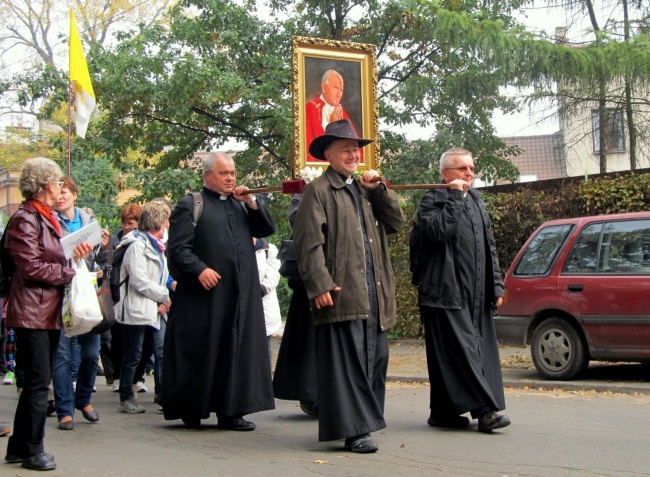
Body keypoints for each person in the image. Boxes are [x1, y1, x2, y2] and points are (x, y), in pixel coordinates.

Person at [293, 119, 404, 453]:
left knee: (377, 357)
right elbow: (307, 243)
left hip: (374, 291)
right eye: (346, 149)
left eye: (356, 149)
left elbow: (396, 221)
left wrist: (379, 190)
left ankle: (365, 423)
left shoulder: (365, 190)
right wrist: (319, 284)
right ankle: (355, 431)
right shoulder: (318, 191)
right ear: (329, 154)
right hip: (341, 293)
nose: (354, 155)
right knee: (348, 363)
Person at [163, 152, 275, 430]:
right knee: (203, 351)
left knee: (235, 351)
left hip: (238, 296)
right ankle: (192, 409)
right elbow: (177, 249)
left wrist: (251, 202)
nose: (230, 178)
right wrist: (199, 269)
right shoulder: (190, 205)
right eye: (224, 173)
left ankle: (231, 411)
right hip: (205, 298)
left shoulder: (240, 205)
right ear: (207, 176)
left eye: (233, 173)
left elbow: (266, 229)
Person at [412, 147, 511, 433]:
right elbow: (439, 232)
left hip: (477, 291)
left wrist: (496, 283)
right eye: (462, 169)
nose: (469, 173)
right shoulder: (432, 199)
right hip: (444, 292)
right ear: (445, 174)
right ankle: (485, 411)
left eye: (471, 168)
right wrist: (454, 196)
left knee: (469, 350)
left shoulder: (477, 200)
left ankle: (442, 412)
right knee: (463, 351)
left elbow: (488, 245)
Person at [4, 157, 92, 471]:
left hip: (44, 310)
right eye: (56, 182)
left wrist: (76, 255)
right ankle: (32, 449)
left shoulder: (45, 217)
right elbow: (30, 267)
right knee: (40, 382)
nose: (60, 187)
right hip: (32, 311)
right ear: (44, 185)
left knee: (38, 383)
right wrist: (69, 272)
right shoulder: (26, 218)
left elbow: (50, 257)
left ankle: (18, 448)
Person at [52, 177, 109, 430]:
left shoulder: (89, 222)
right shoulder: (50, 222)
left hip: (88, 293)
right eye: (57, 193)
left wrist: (103, 252)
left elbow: (102, 260)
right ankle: (65, 410)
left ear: (75, 195)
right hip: (61, 293)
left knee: (90, 353)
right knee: (63, 354)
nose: (60, 197)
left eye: (65, 192)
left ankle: (83, 399)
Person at [114, 201, 171, 414]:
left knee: (161, 349)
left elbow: (161, 276)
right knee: (134, 353)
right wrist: (163, 294)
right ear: (158, 224)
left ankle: (165, 394)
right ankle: (126, 396)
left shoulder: (157, 246)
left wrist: (163, 298)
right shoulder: (137, 246)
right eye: (165, 221)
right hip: (137, 308)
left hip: (154, 308)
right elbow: (139, 280)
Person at [272, 194, 318, 416]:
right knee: (307, 340)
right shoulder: (303, 194)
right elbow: (299, 221)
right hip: (309, 281)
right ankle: (309, 393)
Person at [305, 70, 362, 162]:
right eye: (335, 88)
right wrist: (332, 127)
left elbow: (356, 147)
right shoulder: (309, 109)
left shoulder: (342, 113)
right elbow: (310, 147)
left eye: (341, 90)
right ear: (324, 87)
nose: (339, 94)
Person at [253, 237, 282, 366]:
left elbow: (273, 277)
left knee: (264, 351)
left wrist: (255, 291)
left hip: (264, 308)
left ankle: (266, 384)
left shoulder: (269, 250)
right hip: (241, 307)